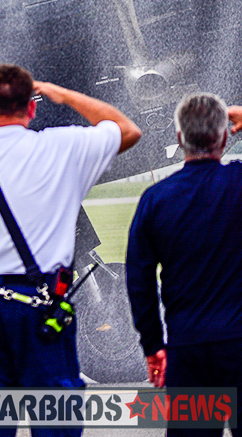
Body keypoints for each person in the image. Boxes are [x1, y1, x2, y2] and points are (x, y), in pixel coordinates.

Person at [0, 63, 141, 437]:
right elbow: (127, 130)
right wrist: (62, 93)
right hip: (40, 305)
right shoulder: (62, 146)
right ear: (32, 107)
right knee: (56, 421)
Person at [126, 92, 242, 436]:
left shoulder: (155, 200)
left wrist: (152, 346)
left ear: (179, 139)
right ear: (224, 137)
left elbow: (139, 283)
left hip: (186, 346)